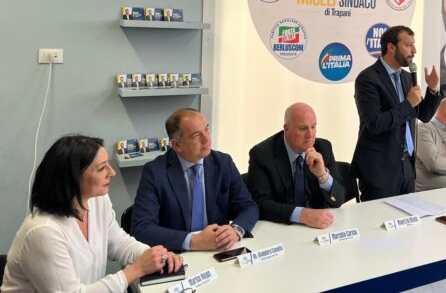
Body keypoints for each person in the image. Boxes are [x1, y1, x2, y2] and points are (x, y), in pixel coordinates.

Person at [2, 135, 182, 292]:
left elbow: (118, 243)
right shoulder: (43, 231)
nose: (112, 173)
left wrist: (154, 255)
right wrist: (137, 269)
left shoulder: (96, 200)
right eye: (102, 168)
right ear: (73, 177)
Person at [131, 108, 258, 251]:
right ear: (177, 145)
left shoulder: (223, 163)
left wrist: (236, 230)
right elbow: (141, 228)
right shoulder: (155, 172)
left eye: (206, 130)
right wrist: (193, 241)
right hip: (177, 255)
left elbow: (248, 206)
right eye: (196, 135)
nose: (207, 139)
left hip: (218, 250)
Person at [351, 25, 441, 200]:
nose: (414, 50)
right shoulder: (367, 79)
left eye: (414, 45)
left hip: (407, 166)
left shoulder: (407, 77)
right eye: (408, 45)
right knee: (379, 216)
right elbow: (375, 124)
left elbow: (423, 115)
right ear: (391, 47)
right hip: (379, 170)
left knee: (407, 216)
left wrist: (433, 89)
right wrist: (408, 104)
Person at [247, 103, 346, 229]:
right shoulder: (262, 155)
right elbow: (260, 204)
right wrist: (302, 215)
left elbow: (339, 199)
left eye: (313, 127)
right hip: (279, 228)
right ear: (286, 129)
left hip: (317, 228)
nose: (310, 135)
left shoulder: (323, 148)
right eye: (303, 128)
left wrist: (323, 175)